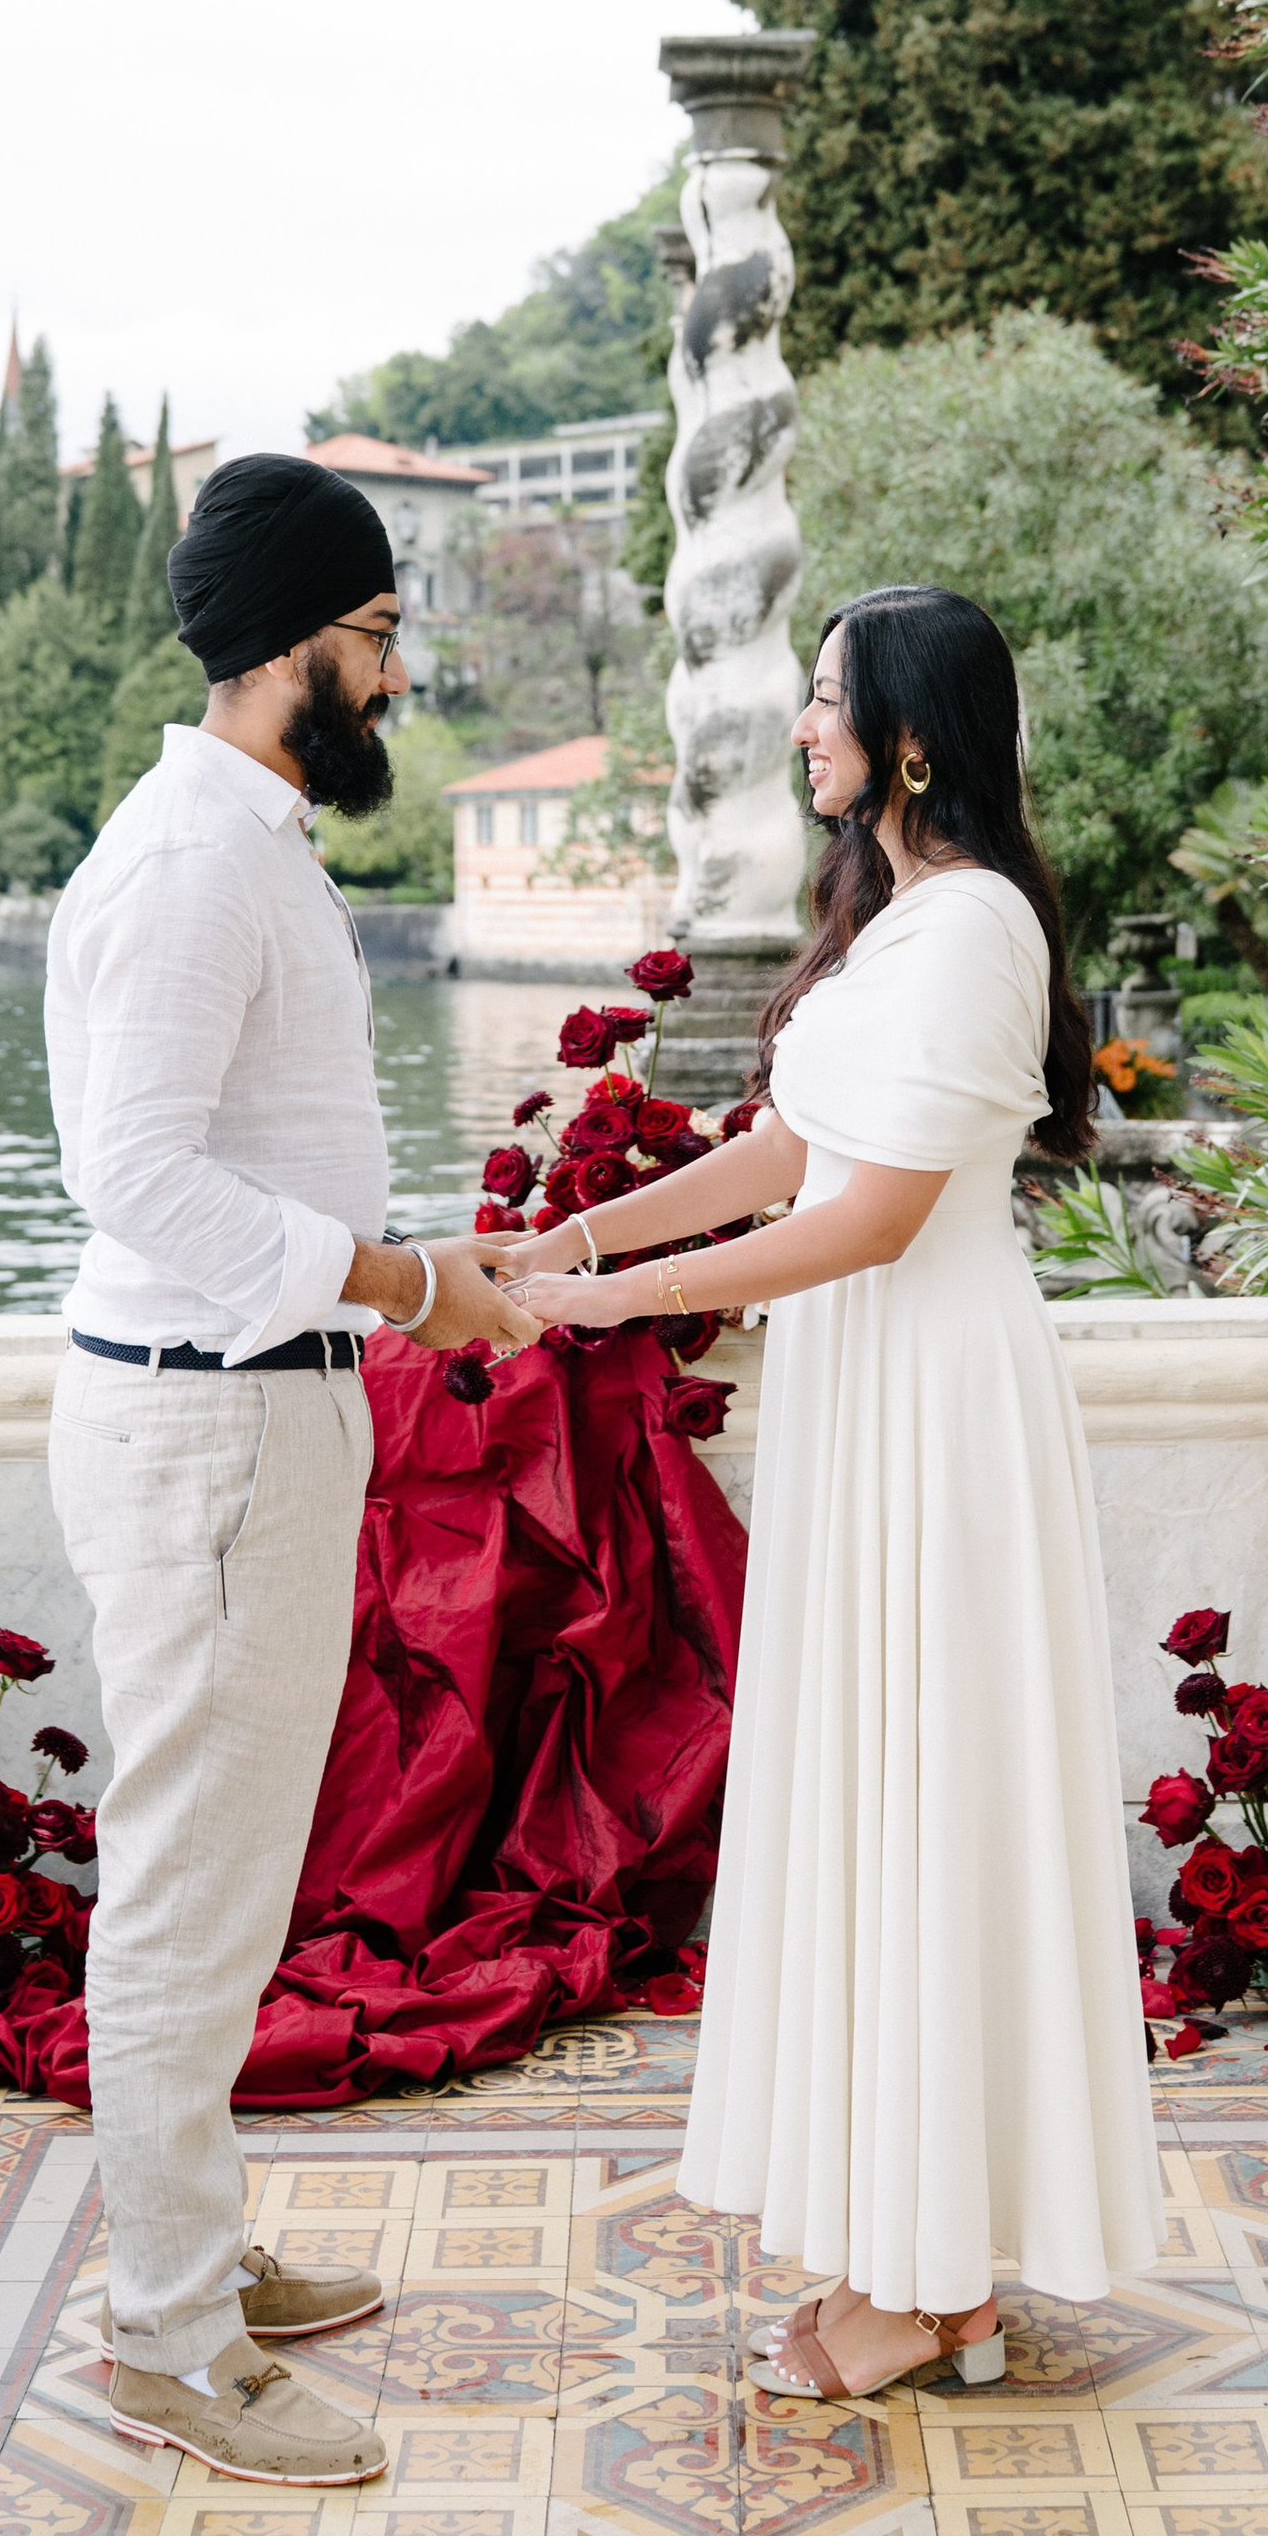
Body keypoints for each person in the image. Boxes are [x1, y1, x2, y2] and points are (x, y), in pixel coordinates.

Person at [497, 584, 1161, 2396]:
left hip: (935, 1398)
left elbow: (867, 1218)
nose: (802, 726)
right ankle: (916, 2263)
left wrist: (603, 1304)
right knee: (878, 1800)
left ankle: (934, 2268)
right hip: (871, 1390)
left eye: (826, 700)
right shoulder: (894, 930)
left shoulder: (973, 932)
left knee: (928, 1802)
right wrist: (568, 1236)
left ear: (914, 733)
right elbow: (787, 1151)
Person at [45, 449, 534, 2487]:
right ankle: (161, 2338)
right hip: (209, 1416)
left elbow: (235, 1150)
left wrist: (396, 1280)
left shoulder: (241, 839)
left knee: (226, 1874)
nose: (400, 676)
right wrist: (411, 1284)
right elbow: (134, 1174)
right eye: (385, 636)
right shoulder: (187, 862)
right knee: (185, 1883)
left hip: (245, 1397)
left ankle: (196, 2256)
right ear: (299, 644)